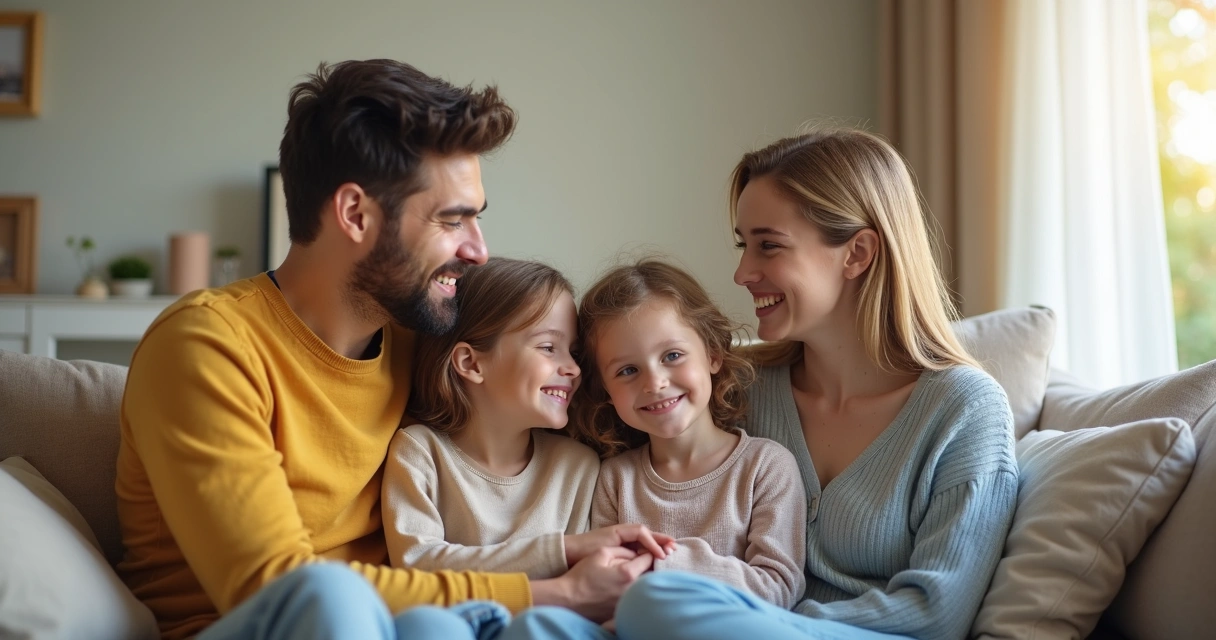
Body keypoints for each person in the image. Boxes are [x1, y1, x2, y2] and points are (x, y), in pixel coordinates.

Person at [115, 60, 648, 640]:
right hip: (256, 626)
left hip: (410, 624)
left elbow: (564, 387)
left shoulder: (422, 339)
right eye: (453, 220)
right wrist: (557, 591)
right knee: (331, 594)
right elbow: (274, 587)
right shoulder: (206, 346)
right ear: (355, 214)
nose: (478, 250)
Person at [608, 128, 1019, 640]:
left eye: (768, 246)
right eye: (743, 245)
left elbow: (937, 614)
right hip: (721, 622)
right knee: (539, 627)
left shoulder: (966, 410)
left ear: (857, 254)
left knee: (656, 602)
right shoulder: (739, 387)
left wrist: (757, 620)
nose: (742, 272)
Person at [503, 259, 806, 638]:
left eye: (672, 356)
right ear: (605, 393)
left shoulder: (766, 466)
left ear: (712, 354)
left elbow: (779, 587)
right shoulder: (615, 477)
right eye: (628, 371)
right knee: (535, 624)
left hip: (720, 630)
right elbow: (606, 584)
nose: (655, 382)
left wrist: (661, 563)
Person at [381, 257, 675, 637]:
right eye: (549, 347)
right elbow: (417, 568)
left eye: (573, 352)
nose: (572, 369)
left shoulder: (578, 466)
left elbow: (587, 592)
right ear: (470, 362)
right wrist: (563, 549)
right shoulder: (420, 452)